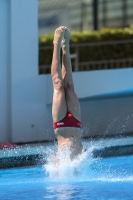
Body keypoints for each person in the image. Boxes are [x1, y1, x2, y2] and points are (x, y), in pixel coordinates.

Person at [51, 26, 82, 160]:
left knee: (58, 84)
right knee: (69, 85)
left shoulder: (59, 169)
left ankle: (56, 44)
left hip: (61, 126)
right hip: (75, 123)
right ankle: (66, 46)